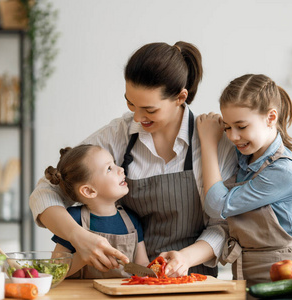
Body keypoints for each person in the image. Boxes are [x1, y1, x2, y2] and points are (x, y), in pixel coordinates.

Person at [29, 41, 238, 277]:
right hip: (124, 282)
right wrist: (78, 237)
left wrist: (185, 258)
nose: (137, 117)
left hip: (190, 280)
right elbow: (47, 191)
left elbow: (223, 225)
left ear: (181, 97)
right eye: (130, 103)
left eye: (149, 109)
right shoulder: (119, 133)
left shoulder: (214, 142)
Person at [196, 74, 292, 286]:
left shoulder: (283, 171)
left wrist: (208, 143)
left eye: (241, 126)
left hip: (278, 280)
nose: (232, 136)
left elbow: (217, 206)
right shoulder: (244, 157)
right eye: (227, 127)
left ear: (271, 117)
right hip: (244, 273)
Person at [45, 144, 149, 278]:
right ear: (89, 191)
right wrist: (83, 256)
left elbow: (143, 264)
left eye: (115, 163)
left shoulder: (132, 221)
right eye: (109, 168)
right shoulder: (73, 219)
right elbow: (54, 271)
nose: (121, 169)